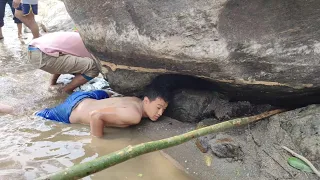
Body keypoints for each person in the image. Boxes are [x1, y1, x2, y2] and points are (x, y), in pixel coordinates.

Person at [34, 87, 170, 137]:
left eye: (164, 109)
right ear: (146, 100)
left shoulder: (135, 100)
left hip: (89, 96)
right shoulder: (134, 116)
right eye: (158, 107)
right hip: (70, 111)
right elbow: (96, 116)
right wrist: (97, 143)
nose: (161, 112)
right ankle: (12, 111)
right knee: (34, 115)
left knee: (107, 93)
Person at [27, 32, 101, 94]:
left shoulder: (79, 36)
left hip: (33, 50)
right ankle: (67, 90)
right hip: (44, 55)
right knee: (94, 67)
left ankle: (52, 84)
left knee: (67, 59)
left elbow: (62, 57)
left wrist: (53, 83)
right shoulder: (91, 48)